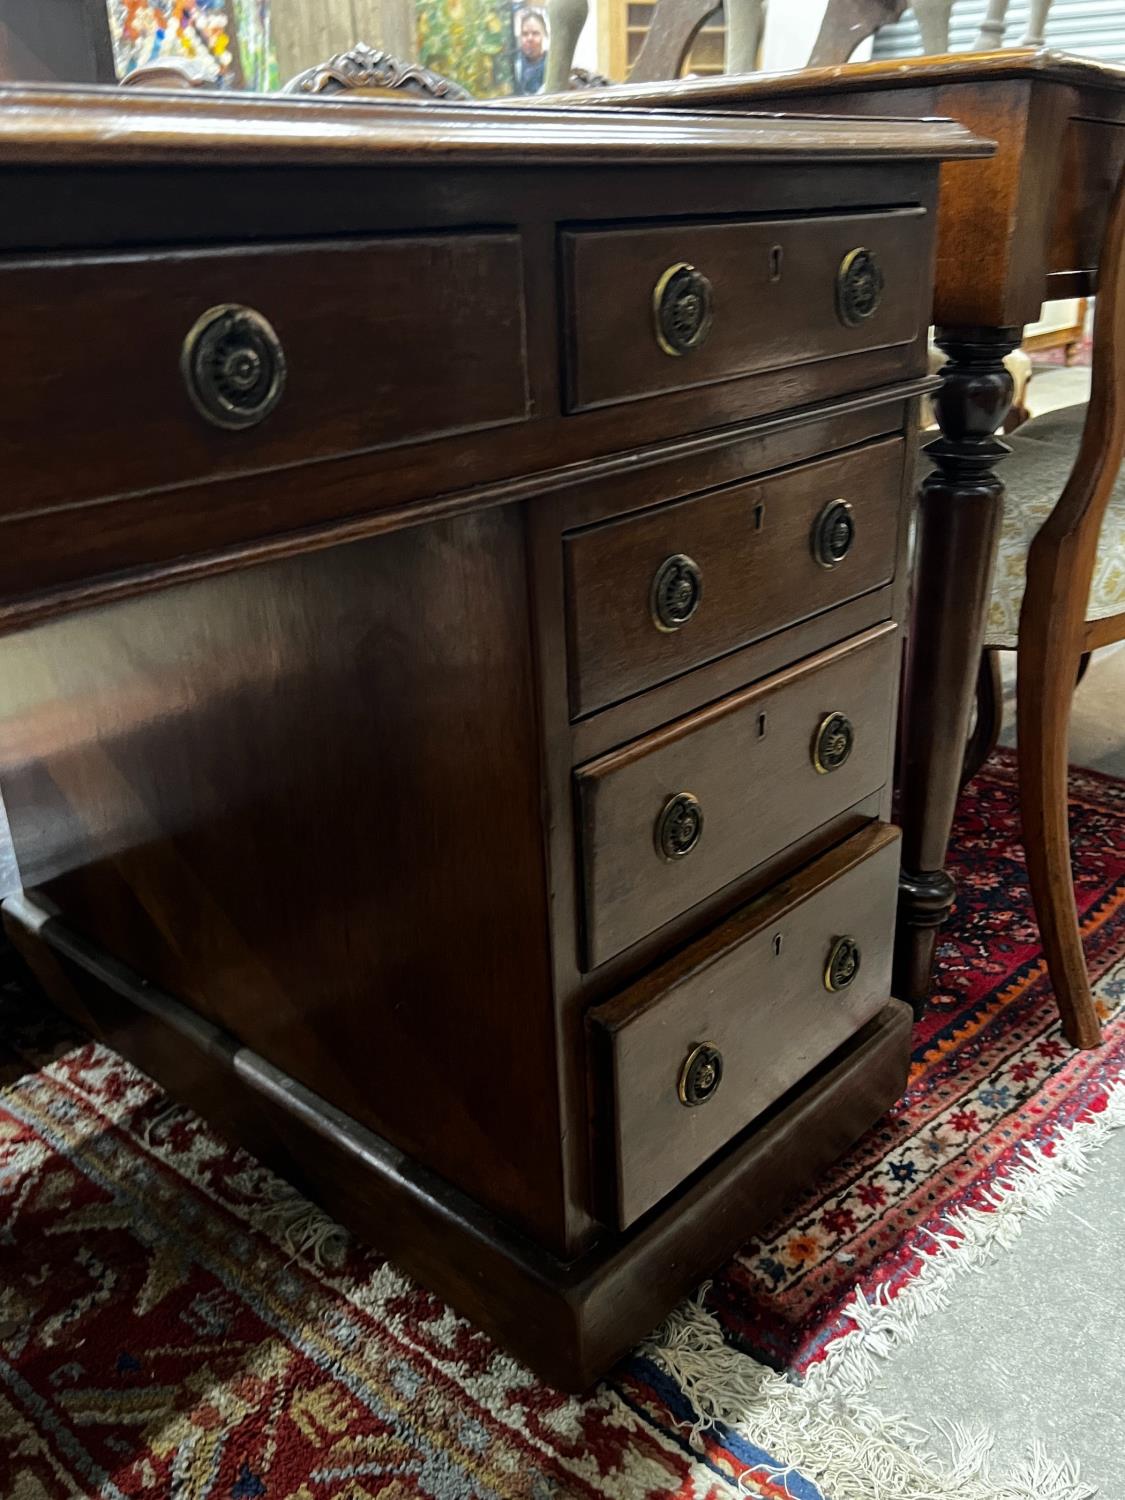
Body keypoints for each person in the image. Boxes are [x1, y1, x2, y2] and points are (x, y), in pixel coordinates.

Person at [514, 8, 548, 95]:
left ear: (543, 35)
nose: (530, 38)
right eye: (525, 34)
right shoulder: (513, 62)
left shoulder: (551, 63)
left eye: (535, 33)